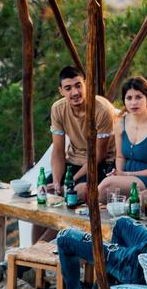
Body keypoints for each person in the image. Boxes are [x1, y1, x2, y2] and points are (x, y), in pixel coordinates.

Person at [49, 65, 116, 196]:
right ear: (61, 91)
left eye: (78, 85)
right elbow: (58, 151)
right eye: (68, 88)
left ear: (86, 84)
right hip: (74, 161)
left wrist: (71, 181)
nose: (75, 92)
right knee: (46, 188)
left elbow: (99, 155)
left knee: (79, 191)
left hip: (101, 164)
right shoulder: (58, 108)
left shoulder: (102, 109)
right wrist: (57, 182)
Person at [98, 77, 147, 204]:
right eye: (129, 98)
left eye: (138, 97)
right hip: (125, 177)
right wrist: (119, 174)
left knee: (105, 187)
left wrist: (126, 174)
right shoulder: (120, 122)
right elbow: (120, 156)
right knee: (105, 191)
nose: (133, 103)